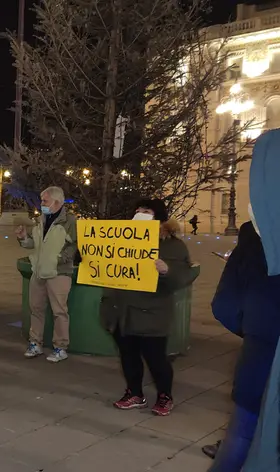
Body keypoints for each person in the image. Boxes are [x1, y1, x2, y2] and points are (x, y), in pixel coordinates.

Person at [209, 129, 280, 471]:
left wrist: (254, 325)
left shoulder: (253, 233)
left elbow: (224, 307)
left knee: (240, 438)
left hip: (260, 354)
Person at [100, 199, 192, 417]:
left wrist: (166, 270)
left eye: (147, 211)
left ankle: (164, 395)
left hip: (151, 312)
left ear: (159, 217)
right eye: (138, 210)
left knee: (156, 357)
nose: (140, 213)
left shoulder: (173, 245)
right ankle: (134, 393)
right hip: (122, 311)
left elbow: (182, 277)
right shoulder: (123, 239)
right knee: (128, 355)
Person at [15, 186, 77, 363]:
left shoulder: (69, 222)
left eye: (45, 201)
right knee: (36, 309)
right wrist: (22, 238)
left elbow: (74, 246)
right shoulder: (40, 220)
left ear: (57, 202)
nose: (41, 204)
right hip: (39, 272)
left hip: (58, 273)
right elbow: (32, 245)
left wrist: (59, 259)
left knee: (59, 312)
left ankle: (60, 347)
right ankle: (35, 343)